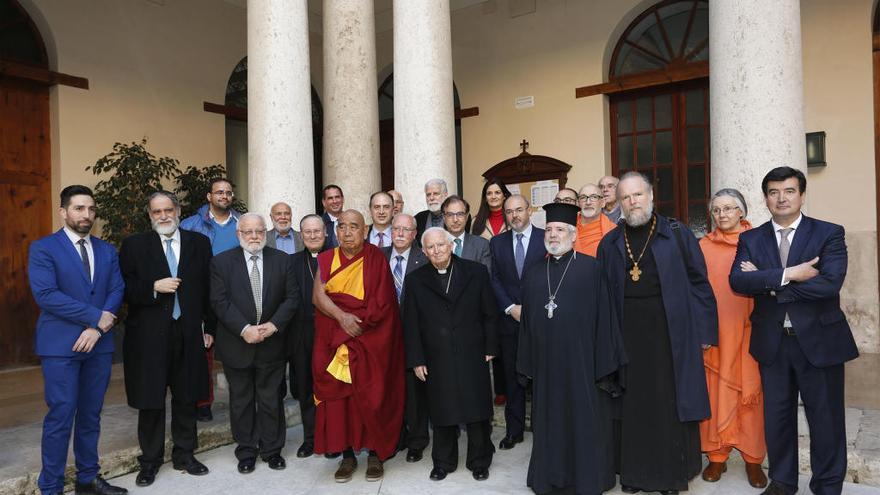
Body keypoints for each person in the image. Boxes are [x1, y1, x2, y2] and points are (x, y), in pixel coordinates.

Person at [730, 166, 858, 495]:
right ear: (766, 198)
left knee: (826, 419)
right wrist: (792, 273)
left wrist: (771, 281)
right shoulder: (750, 238)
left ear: (801, 194)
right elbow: (739, 281)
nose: (781, 198)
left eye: (788, 191)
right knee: (778, 417)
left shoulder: (828, 232)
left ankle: (828, 485)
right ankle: (784, 481)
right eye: (774, 192)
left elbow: (829, 284)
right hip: (773, 343)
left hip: (821, 340)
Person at [596, 171, 718, 494]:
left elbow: (699, 284)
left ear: (651, 196)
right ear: (618, 202)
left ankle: (670, 477)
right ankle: (635, 476)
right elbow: (603, 295)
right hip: (626, 334)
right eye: (625, 197)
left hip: (670, 335)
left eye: (637, 195)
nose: (632, 202)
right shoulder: (609, 243)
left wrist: (704, 331)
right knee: (632, 406)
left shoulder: (677, 234)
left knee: (669, 405)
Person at [518, 202, 626, 495]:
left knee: (583, 422)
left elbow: (606, 318)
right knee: (549, 422)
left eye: (561, 230)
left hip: (583, 365)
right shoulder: (534, 273)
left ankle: (587, 479)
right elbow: (527, 322)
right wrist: (526, 364)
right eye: (550, 229)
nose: (554, 235)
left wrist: (604, 363)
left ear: (574, 234)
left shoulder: (592, 269)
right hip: (546, 365)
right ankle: (548, 477)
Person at [28, 185, 126, 495]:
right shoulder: (43, 248)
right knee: (61, 414)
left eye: (91, 209)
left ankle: (87, 479)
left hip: (98, 345)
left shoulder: (107, 250)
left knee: (91, 414)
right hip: (60, 346)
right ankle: (51, 487)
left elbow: (116, 290)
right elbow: (46, 295)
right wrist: (93, 318)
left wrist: (97, 329)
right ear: (63, 212)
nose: (86, 215)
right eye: (79, 208)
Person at [119, 191, 214, 487]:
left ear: (178, 210)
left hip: (187, 331)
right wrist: (153, 287)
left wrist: (209, 327)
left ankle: (185, 454)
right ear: (149, 215)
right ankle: (150, 461)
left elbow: (208, 289)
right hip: (147, 337)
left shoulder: (199, 243)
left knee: (186, 396)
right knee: (151, 400)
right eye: (156, 211)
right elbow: (122, 289)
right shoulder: (134, 245)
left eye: (168, 210)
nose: (163, 216)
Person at [311, 210, 405, 483]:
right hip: (334, 339)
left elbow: (383, 303)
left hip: (370, 340)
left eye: (354, 227)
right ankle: (348, 455)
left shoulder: (376, 258)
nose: (348, 232)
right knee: (342, 401)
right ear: (335, 231)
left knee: (372, 396)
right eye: (342, 227)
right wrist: (342, 318)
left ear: (365, 231)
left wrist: (357, 325)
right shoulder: (327, 258)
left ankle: (375, 453)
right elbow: (318, 296)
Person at [403, 227, 499, 482]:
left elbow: (489, 312)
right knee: (442, 409)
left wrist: (491, 346)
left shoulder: (475, 272)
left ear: (451, 245)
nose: (437, 250)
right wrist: (416, 359)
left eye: (441, 245)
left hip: (473, 351)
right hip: (435, 355)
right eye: (431, 247)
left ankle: (480, 459)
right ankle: (443, 461)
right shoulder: (415, 280)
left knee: (476, 407)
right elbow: (410, 324)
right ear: (424, 252)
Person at [210, 213, 300, 474]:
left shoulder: (282, 260)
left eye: (259, 231)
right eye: (248, 232)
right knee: (241, 401)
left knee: (271, 399)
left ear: (266, 232)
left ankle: (272, 450)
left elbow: (292, 298)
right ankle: (247, 451)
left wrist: (273, 325)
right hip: (237, 343)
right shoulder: (221, 262)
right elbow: (219, 301)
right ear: (239, 234)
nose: (254, 236)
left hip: (272, 342)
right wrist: (244, 329)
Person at [698, 189, 767, 488]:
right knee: (715, 393)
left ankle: (753, 460)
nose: (722, 215)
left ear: (742, 212)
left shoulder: (759, 244)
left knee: (750, 394)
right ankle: (717, 456)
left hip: (751, 330)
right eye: (716, 210)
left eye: (729, 209)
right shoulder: (701, 246)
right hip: (715, 334)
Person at [180, 177, 242, 422]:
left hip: (235, 295)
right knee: (201, 350)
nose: (224, 196)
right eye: (219, 192)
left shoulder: (242, 224)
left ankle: (242, 398)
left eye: (228, 192)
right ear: (209, 196)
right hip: (202, 295)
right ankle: (203, 402)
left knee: (238, 349)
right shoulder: (190, 224)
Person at [488, 194, 546, 451]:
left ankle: (544, 429)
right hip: (509, 322)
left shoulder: (546, 236)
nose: (514, 216)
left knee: (543, 376)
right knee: (512, 378)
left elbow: (552, 275)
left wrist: (532, 309)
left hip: (542, 319)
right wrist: (511, 308)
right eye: (509, 212)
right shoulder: (497, 243)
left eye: (519, 210)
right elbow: (494, 279)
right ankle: (514, 431)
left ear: (529, 210)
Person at [381, 213, 430, 462]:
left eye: (405, 229)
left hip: (415, 335)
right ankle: (395, 437)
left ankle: (417, 441)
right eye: (396, 228)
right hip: (383, 338)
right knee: (389, 391)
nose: (399, 233)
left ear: (414, 234)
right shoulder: (377, 257)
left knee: (414, 392)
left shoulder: (424, 259)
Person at [282, 214, 326, 459]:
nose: (312, 236)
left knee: (332, 387)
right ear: (301, 235)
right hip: (301, 334)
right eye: (307, 232)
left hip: (331, 334)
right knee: (306, 388)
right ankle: (311, 438)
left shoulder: (336, 257)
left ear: (325, 232)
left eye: (317, 231)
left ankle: (333, 436)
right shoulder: (290, 262)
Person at [442, 195, 491, 271]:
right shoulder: (436, 246)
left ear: (467, 216)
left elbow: (485, 276)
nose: (455, 220)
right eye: (450, 215)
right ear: (444, 218)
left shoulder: (482, 245)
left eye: (460, 214)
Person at [575, 183, 617, 257]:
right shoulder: (567, 227)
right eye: (583, 197)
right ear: (578, 203)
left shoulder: (614, 231)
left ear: (603, 203)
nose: (588, 202)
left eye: (594, 197)